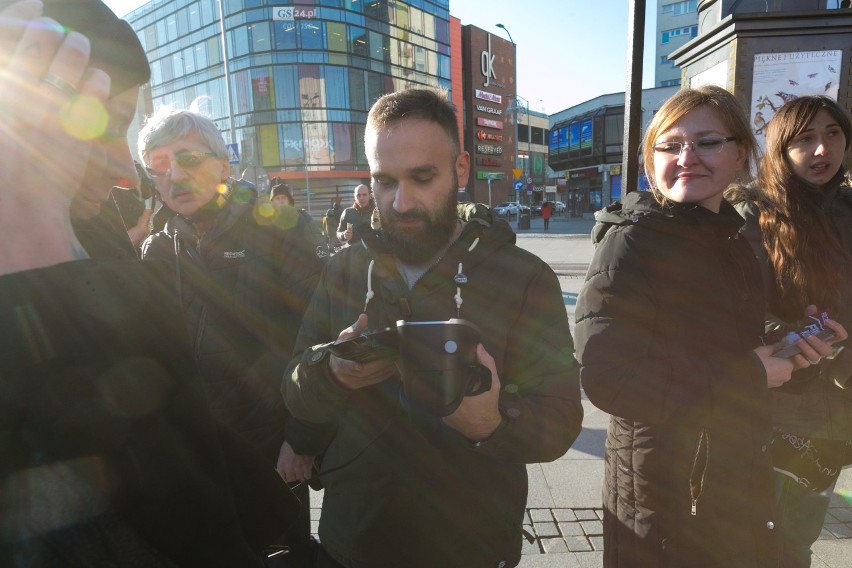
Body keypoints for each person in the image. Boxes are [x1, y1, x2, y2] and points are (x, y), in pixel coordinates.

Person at [0, 0, 297, 565]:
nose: (126, 171)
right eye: (97, 126)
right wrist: (35, 254)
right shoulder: (129, 244)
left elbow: (185, 476)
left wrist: (294, 441)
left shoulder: (102, 238)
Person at [281, 88, 583, 567]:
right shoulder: (345, 268)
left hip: (471, 543)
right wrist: (331, 371)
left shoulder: (523, 277)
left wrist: (493, 425)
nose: (401, 202)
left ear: (461, 169)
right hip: (355, 538)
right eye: (384, 181)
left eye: (422, 178)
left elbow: (563, 418)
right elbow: (294, 386)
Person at [573, 85, 847, 568]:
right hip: (666, 490)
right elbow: (608, 377)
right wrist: (750, 372)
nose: (687, 157)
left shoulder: (731, 239)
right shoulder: (632, 243)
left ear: (740, 152)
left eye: (707, 142)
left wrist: (785, 346)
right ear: (649, 159)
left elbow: (725, 343)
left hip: (729, 470)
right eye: (670, 144)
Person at [138, 107, 326, 565]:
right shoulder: (158, 250)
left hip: (274, 450)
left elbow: (322, 339)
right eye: (159, 165)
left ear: (223, 167)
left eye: (189, 159)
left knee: (288, 555)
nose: (175, 175)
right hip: (203, 453)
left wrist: (302, 440)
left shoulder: (282, 231)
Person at [731, 95, 852, 568]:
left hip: (834, 415)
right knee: (744, 537)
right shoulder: (751, 214)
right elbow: (734, 303)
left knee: (795, 541)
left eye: (832, 135)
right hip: (769, 406)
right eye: (805, 139)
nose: (821, 150)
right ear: (779, 147)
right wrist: (795, 336)